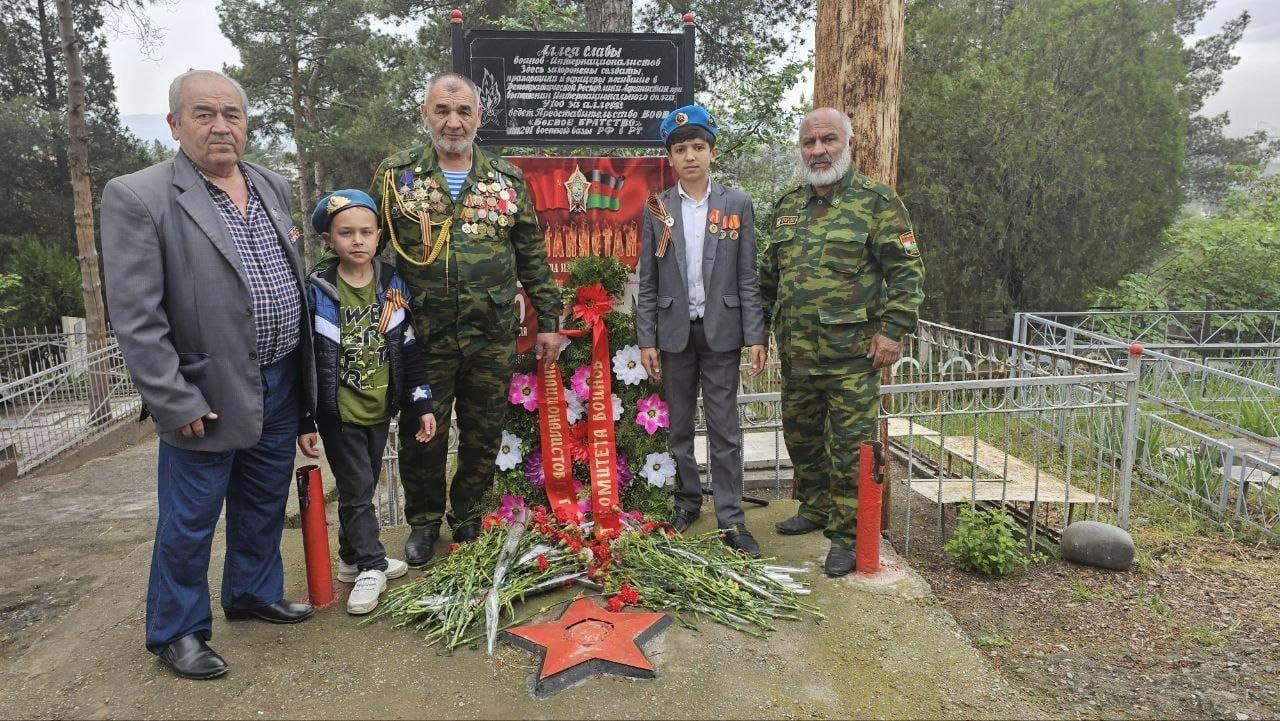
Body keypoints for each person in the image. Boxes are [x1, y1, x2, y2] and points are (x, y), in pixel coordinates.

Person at [101, 69, 317, 679]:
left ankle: (251, 592)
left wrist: (302, 393)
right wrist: (173, 399)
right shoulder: (138, 196)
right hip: (203, 392)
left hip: (278, 380)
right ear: (174, 124)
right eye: (204, 113)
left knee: (263, 500)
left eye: (233, 114)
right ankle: (178, 630)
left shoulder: (271, 184)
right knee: (190, 518)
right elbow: (138, 317)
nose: (221, 126)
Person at [368, 72, 563, 566]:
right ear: (425, 114)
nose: (453, 123)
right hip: (423, 334)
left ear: (479, 116)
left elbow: (532, 256)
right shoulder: (397, 175)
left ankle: (469, 514)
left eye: (464, 112)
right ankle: (424, 522)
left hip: (490, 334)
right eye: (442, 111)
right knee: (421, 430)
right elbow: (373, 249)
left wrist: (549, 321)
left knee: (483, 429)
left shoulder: (506, 177)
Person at [758, 107, 925, 576]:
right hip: (798, 355)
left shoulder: (877, 202)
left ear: (847, 144)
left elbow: (908, 274)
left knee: (851, 447)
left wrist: (893, 331)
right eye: (809, 143)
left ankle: (849, 536)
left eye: (828, 141)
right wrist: (760, 332)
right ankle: (814, 507)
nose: (818, 151)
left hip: (854, 356)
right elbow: (767, 279)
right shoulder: (788, 206)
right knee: (802, 437)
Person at [296, 190, 437, 614]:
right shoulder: (316, 290)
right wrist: (304, 418)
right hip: (338, 411)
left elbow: (408, 351)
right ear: (328, 240)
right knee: (358, 491)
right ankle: (372, 566)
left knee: (365, 484)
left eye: (365, 232)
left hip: (381, 407)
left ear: (379, 237)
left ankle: (349, 557)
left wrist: (422, 404)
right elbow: (302, 360)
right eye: (345, 233)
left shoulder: (393, 285)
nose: (357, 241)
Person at [636, 104, 768, 557]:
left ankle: (731, 516)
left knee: (724, 426)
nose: (689, 156)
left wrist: (756, 335)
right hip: (675, 333)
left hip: (722, 332)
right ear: (669, 158)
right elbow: (647, 281)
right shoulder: (657, 207)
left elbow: (747, 274)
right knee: (678, 426)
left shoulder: (736, 203)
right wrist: (647, 339)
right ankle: (688, 500)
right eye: (680, 149)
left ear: (712, 151)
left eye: (697, 147)